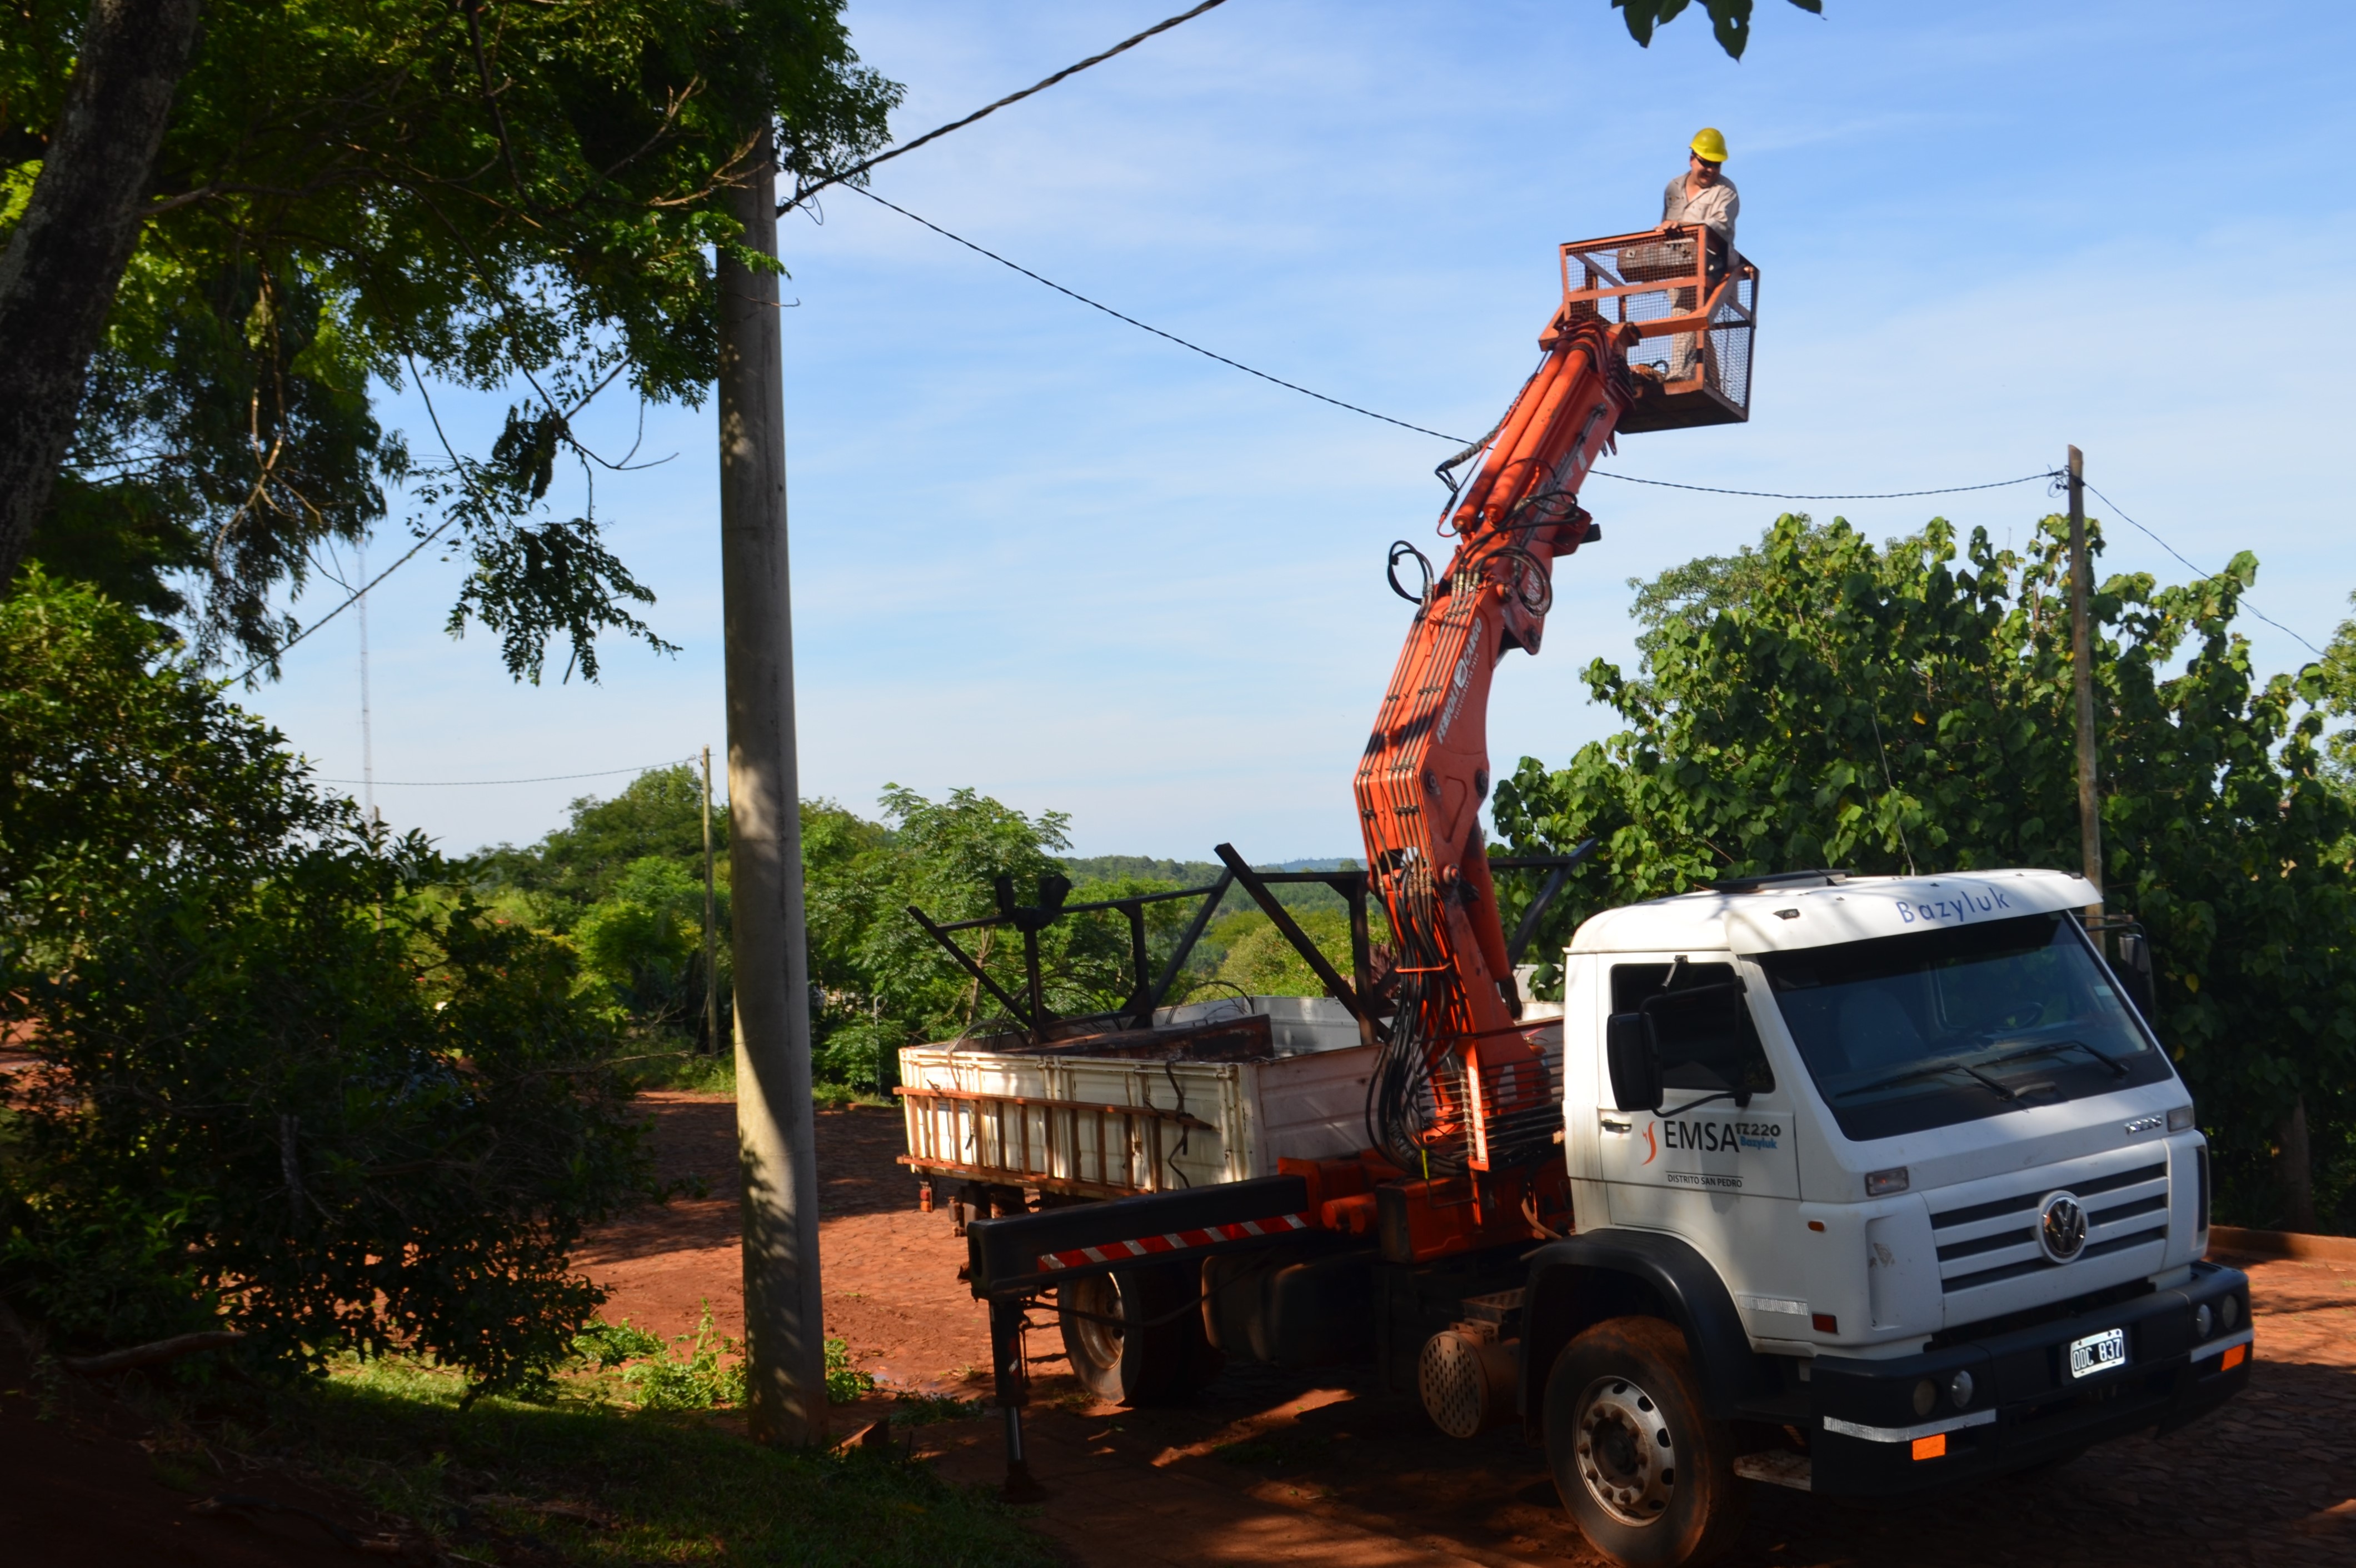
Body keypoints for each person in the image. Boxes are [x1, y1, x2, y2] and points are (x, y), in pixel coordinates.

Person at [1655, 128, 1738, 382]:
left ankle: (1678, 375)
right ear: (1693, 158)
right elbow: (1665, 223)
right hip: (1676, 264)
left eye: (1717, 165)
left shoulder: (1726, 192)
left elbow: (1720, 227)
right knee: (1696, 324)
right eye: (1706, 163)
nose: (1711, 170)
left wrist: (1685, 228)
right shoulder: (1674, 187)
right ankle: (1712, 380)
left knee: (1684, 312)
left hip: (1710, 268)